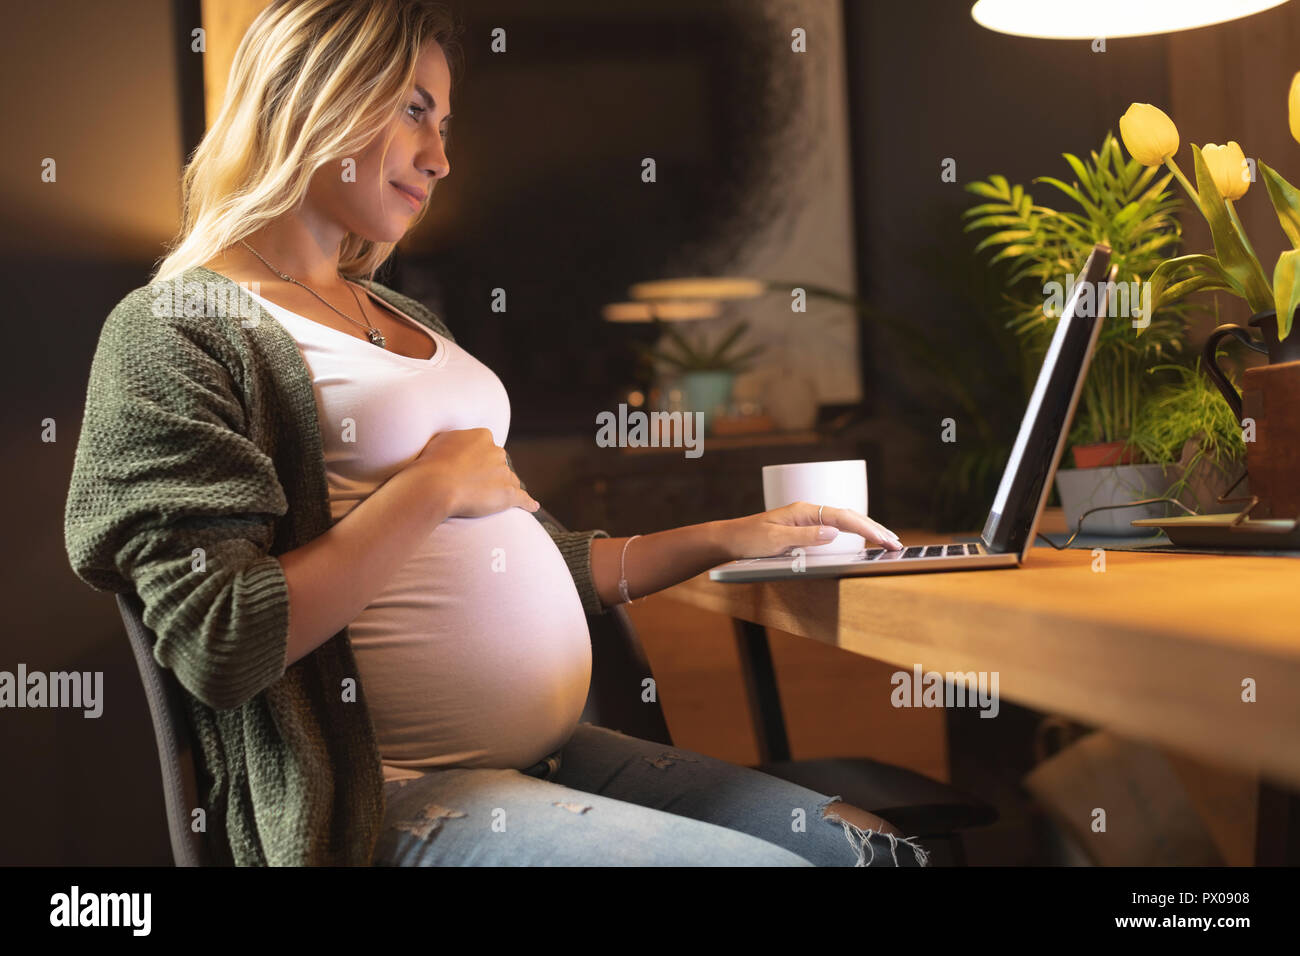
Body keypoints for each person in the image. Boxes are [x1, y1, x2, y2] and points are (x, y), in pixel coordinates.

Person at [63, 0, 926, 867]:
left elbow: (545, 557)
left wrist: (736, 534)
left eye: (445, 123)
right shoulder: (174, 329)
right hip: (387, 796)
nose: (440, 158)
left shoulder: (395, 313)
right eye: (413, 111)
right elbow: (220, 641)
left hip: (557, 759)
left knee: (879, 855)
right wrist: (432, 486)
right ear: (310, 93)